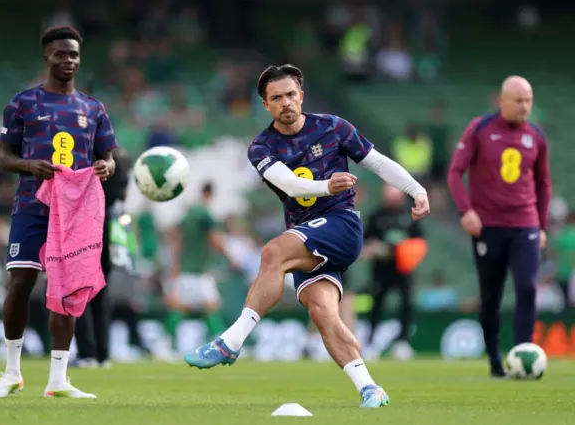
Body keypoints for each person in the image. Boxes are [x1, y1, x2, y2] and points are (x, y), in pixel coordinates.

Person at [184, 64, 429, 408]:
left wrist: (415, 189)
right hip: (305, 237)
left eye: (289, 94)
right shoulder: (261, 147)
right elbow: (289, 184)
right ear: (265, 104)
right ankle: (370, 388)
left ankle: (230, 342)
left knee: (272, 253)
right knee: (323, 313)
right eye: (276, 98)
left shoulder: (333, 127)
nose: (285, 102)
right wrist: (325, 185)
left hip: (341, 224)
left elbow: (377, 162)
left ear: (301, 95)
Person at [0, 26, 117, 398]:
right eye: (61, 54)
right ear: (47, 56)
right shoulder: (23, 103)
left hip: (74, 214)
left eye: (74, 54)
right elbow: (3, 157)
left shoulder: (93, 108)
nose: (68, 60)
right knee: (20, 284)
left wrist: (107, 167)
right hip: (31, 206)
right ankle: (11, 372)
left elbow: (108, 156)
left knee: (68, 291)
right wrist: (29, 166)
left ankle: (58, 380)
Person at [447, 75, 552, 378]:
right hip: (488, 226)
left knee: (528, 287)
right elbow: (455, 172)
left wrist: (542, 226)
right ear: (502, 101)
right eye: (519, 100)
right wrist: (466, 211)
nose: (525, 106)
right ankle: (494, 360)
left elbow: (544, 184)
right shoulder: (480, 129)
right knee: (491, 295)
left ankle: (524, 355)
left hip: (525, 223)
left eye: (528, 100)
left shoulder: (537, 136)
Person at [163, 182, 237, 358]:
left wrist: (174, 265)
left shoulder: (189, 213)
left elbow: (176, 238)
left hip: (186, 269)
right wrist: (232, 258)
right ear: (210, 194)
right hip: (198, 270)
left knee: (182, 307)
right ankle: (220, 344)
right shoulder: (204, 213)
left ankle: (165, 343)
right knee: (210, 306)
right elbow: (215, 238)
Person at [73, 148, 132, 368]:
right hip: (110, 227)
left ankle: (87, 353)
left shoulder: (84, 155)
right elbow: (123, 195)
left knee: (80, 293)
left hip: (85, 225)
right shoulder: (121, 160)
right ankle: (103, 354)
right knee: (101, 293)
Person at [363, 184, 423, 360]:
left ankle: (402, 342)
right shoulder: (376, 216)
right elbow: (366, 241)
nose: (393, 199)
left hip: (403, 269)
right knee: (377, 305)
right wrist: (375, 249)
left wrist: (409, 253)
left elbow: (419, 240)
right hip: (381, 269)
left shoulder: (409, 216)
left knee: (405, 305)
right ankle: (371, 342)